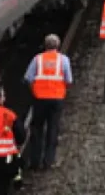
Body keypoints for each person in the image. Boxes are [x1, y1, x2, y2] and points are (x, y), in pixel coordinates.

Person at [23, 34, 72, 171]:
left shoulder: (37, 59)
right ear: (58, 46)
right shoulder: (63, 60)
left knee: (37, 129)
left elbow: (28, 78)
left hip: (40, 99)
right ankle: (48, 161)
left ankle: (35, 162)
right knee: (53, 129)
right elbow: (68, 80)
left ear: (45, 45)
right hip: (56, 99)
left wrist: (34, 90)